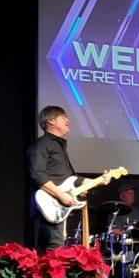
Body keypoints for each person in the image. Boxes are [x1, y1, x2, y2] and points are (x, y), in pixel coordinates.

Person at [28, 106, 110, 254]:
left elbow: (71, 180)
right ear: (51, 121)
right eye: (64, 116)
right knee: (55, 247)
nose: (68, 120)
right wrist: (60, 195)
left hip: (57, 204)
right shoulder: (42, 144)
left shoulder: (59, 146)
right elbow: (37, 174)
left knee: (46, 249)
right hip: (50, 201)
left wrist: (100, 180)